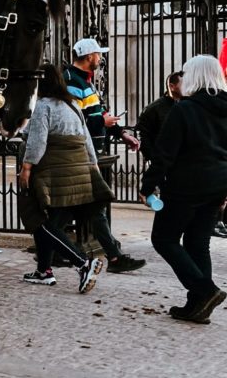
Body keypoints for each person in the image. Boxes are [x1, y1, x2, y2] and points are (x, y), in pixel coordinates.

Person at [140, 54, 227, 323]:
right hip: (218, 185)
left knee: (163, 239)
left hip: (185, 186)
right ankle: (197, 306)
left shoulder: (184, 109)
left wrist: (148, 185)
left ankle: (205, 291)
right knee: (197, 244)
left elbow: (165, 154)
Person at [18, 64, 114, 294]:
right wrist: (93, 167)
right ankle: (44, 271)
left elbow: (38, 140)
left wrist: (27, 167)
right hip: (79, 172)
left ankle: (82, 263)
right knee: (53, 224)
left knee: (37, 221)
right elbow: (87, 139)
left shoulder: (43, 106)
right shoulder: (72, 105)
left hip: (56, 174)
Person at [64, 37, 146, 274]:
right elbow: (72, 119)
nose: (101, 58)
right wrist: (102, 120)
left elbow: (94, 113)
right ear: (89, 56)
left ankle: (112, 255)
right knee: (91, 206)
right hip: (81, 152)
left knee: (87, 208)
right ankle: (113, 256)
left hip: (91, 151)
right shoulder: (72, 81)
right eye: (98, 55)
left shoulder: (86, 82)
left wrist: (121, 133)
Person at [137, 70, 183, 164]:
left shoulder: (187, 105)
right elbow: (143, 134)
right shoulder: (154, 108)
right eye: (183, 84)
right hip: (163, 161)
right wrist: (153, 157)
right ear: (172, 86)